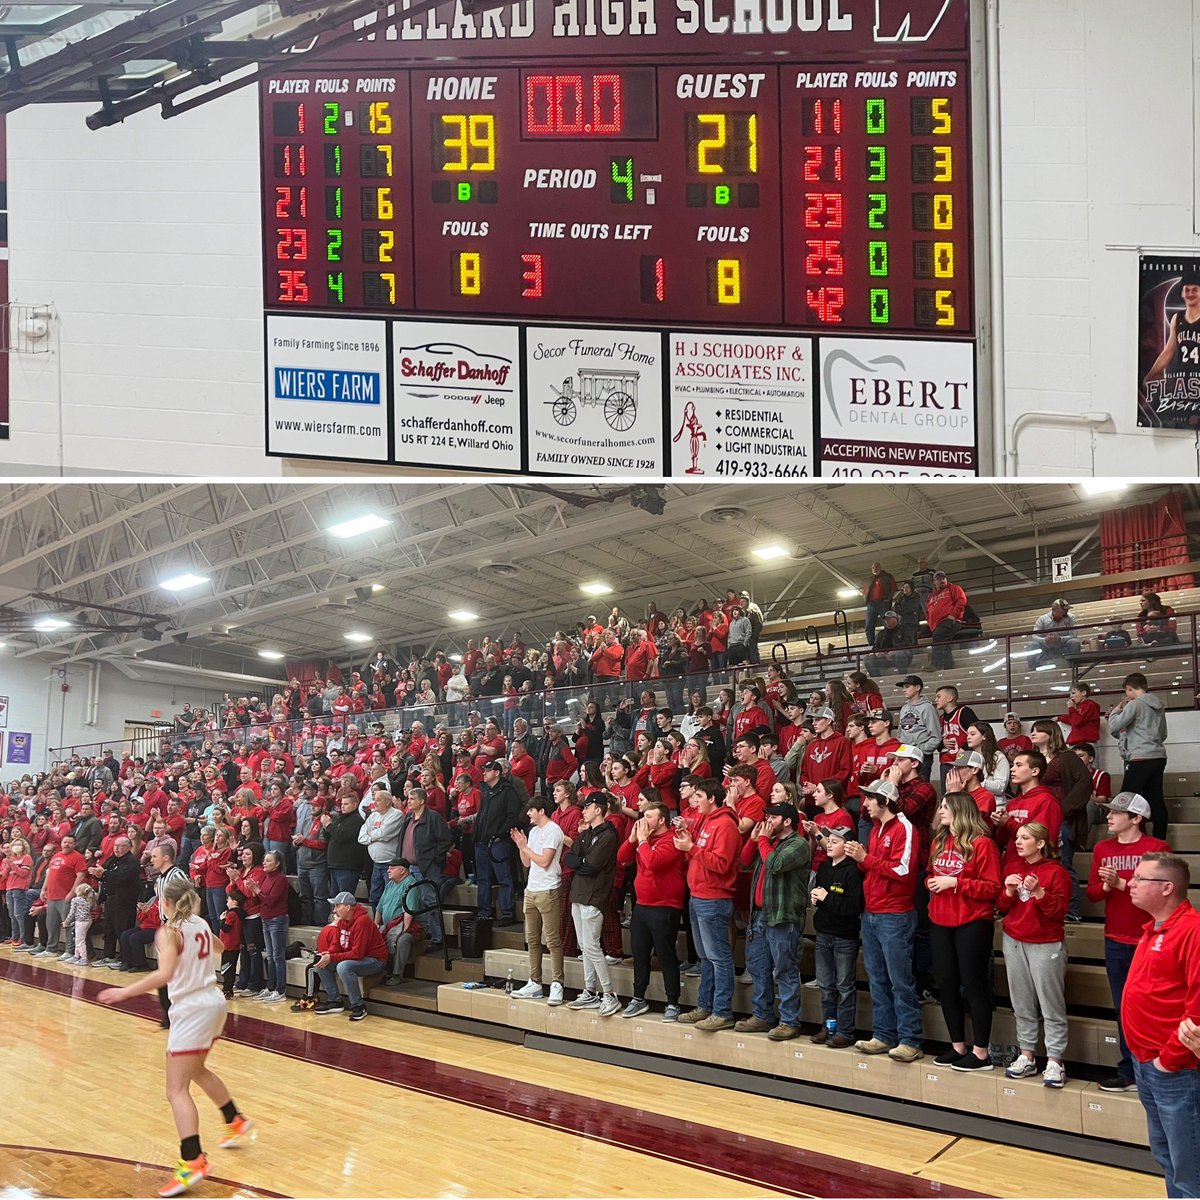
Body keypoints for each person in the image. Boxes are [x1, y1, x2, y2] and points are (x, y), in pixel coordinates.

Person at [98, 874, 253, 1199]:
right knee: (196, 1070)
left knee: (176, 1090)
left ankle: (192, 1159)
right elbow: (221, 947)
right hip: (214, 1004)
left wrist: (125, 992)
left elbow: (164, 974)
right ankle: (234, 1118)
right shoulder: (198, 922)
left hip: (193, 1009)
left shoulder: (169, 931)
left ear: (164, 902)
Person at [1123, 852, 1200, 1198]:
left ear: (1167, 887)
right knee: (1168, 1157)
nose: (1130, 883)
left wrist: (1168, 1060)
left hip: (1176, 1069)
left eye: (1140, 879)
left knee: (1190, 1166)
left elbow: (1197, 1009)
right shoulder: (1153, 928)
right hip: (1147, 1064)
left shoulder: (1192, 931)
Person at [1086, 794, 1172, 1093]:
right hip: (1115, 937)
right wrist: (1108, 885)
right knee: (1123, 1008)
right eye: (1109, 812)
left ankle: (1160, 1066)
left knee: (1154, 1007)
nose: (1109, 817)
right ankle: (1131, 1069)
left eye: (1117, 813)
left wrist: (1122, 884)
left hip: (1149, 939)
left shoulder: (1156, 849)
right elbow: (1094, 894)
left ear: (1136, 818)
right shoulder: (1102, 848)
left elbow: (1164, 895)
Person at [846, 779, 923, 1062]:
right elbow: (874, 867)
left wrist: (865, 858)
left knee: (899, 980)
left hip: (895, 914)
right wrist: (860, 858)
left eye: (869, 800)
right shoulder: (877, 829)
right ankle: (884, 1034)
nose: (864, 805)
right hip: (873, 911)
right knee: (877, 978)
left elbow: (904, 870)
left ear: (884, 802)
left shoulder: (905, 828)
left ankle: (910, 1039)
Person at [926, 792, 1002, 1071]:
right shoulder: (939, 841)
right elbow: (929, 874)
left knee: (974, 985)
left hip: (972, 921)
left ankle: (981, 1052)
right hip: (940, 920)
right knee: (945, 983)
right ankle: (957, 1045)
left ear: (961, 810)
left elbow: (992, 887)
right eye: (941, 805)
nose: (941, 810)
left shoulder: (983, 844)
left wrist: (956, 883)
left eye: (946, 806)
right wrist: (933, 883)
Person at [997, 822, 1072, 1088]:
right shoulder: (1012, 868)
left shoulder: (1056, 872)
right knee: (1021, 1003)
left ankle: (1054, 1060)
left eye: (1025, 838)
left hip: (1045, 943)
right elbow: (1002, 906)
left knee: (1051, 1004)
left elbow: (1059, 912)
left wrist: (1039, 892)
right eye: (1017, 837)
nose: (1018, 842)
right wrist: (1007, 891)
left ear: (1040, 843)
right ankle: (1026, 1054)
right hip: (1014, 940)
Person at [736, 800, 811, 1041]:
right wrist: (754, 839)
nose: (767, 822)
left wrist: (763, 841)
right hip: (759, 916)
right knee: (759, 969)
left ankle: (789, 1020)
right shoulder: (768, 842)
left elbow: (776, 864)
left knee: (784, 970)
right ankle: (762, 1015)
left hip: (782, 917)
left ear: (787, 821)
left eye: (773, 817)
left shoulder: (798, 844)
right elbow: (744, 861)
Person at [673, 778, 740, 1031]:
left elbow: (721, 864)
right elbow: (701, 855)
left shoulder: (725, 824)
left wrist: (692, 847)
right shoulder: (706, 821)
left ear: (712, 798)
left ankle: (722, 1012)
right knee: (705, 958)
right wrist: (688, 844)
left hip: (714, 898)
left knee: (719, 958)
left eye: (699, 796)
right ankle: (705, 1006)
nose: (694, 801)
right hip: (698, 895)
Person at [616, 799, 687, 1021]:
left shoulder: (672, 840)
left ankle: (673, 1003)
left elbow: (652, 862)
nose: (643, 820)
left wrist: (643, 841)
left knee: (666, 956)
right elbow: (622, 859)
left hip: (665, 906)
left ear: (661, 819)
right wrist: (631, 840)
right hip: (642, 906)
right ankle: (638, 998)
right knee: (639, 954)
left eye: (648, 816)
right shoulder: (645, 839)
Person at [563, 793, 621, 1017]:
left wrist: (582, 862)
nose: (583, 811)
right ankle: (590, 990)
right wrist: (582, 862)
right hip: (578, 893)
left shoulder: (608, 835)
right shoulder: (586, 834)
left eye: (586, 807)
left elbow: (592, 866)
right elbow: (570, 857)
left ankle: (609, 993)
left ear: (598, 809)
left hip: (594, 895)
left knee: (592, 946)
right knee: (583, 945)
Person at [810, 826, 863, 1048]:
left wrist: (826, 897)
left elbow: (854, 906)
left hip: (844, 936)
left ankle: (845, 1031)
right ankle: (828, 1027)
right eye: (828, 840)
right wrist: (816, 898)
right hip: (823, 934)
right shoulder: (823, 868)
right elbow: (823, 896)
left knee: (844, 985)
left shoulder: (853, 871)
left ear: (848, 846)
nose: (829, 844)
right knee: (826, 986)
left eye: (835, 841)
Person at [510, 796, 566, 1005]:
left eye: (531, 810)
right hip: (531, 889)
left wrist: (526, 847)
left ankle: (557, 983)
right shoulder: (533, 832)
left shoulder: (553, 830)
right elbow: (527, 862)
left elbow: (544, 861)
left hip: (549, 889)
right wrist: (521, 846)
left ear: (541, 811)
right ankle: (535, 982)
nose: (528, 814)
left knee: (552, 940)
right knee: (532, 939)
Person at [1108, 672, 1169, 839]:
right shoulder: (1159, 706)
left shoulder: (1134, 705)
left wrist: (1115, 712)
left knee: (1126, 798)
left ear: (1130, 689)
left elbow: (1115, 726)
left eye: (1126, 691)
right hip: (1158, 755)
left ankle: (1134, 838)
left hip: (1141, 756)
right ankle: (1159, 839)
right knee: (1155, 799)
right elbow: (1163, 734)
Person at [313, 891, 389, 1020]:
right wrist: (329, 953)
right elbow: (337, 944)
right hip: (359, 957)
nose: (335, 910)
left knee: (344, 967)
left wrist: (332, 957)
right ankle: (335, 1001)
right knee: (322, 962)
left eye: (338, 906)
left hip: (375, 960)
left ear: (348, 907)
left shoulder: (362, 921)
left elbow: (357, 953)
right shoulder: (343, 920)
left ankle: (359, 1006)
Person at [394, 787, 452, 948]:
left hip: (427, 867)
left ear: (421, 801)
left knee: (430, 901)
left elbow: (445, 840)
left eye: (412, 799)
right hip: (408, 868)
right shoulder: (408, 818)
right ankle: (422, 933)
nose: (409, 801)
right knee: (414, 902)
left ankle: (438, 938)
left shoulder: (433, 817)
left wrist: (434, 858)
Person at [474, 759, 523, 928]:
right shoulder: (488, 791)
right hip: (482, 841)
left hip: (497, 843)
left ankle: (507, 913)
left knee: (504, 879)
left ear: (497, 773)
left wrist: (500, 835)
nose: (484, 773)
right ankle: (484, 912)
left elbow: (512, 815)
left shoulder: (508, 791)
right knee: (483, 879)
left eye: (488, 770)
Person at [375, 859, 424, 988]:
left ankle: (397, 974)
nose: (388, 870)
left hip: (414, 926)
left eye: (392, 868)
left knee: (402, 939)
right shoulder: (390, 884)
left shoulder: (411, 885)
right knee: (377, 934)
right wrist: (376, 925)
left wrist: (404, 930)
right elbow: (380, 907)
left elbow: (409, 912)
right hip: (391, 925)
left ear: (402, 870)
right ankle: (380, 970)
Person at [256, 850, 290, 1003]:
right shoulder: (265, 877)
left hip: (277, 920)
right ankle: (270, 987)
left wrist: (256, 891)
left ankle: (280, 990)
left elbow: (271, 901)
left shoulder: (281, 879)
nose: (264, 863)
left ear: (277, 864)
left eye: (268, 860)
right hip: (265, 919)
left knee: (278, 956)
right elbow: (261, 900)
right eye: (264, 860)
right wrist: (253, 890)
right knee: (270, 956)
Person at [895, 676, 940, 781]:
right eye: (903, 687)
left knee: (920, 788)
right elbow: (900, 733)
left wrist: (921, 750)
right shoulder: (904, 708)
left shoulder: (928, 708)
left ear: (918, 687)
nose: (904, 690)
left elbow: (935, 736)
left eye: (907, 686)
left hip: (921, 757)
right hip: (905, 755)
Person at [925, 571, 967, 670]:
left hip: (950, 620)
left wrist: (952, 615)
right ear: (934, 582)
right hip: (936, 625)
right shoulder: (931, 597)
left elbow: (962, 601)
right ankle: (949, 665)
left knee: (939, 636)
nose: (942, 581)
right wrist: (931, 624)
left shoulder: (954, 588)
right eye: (939, 579)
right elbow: (927, 612)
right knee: (945, 642)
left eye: (943, 578)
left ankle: (936, 664)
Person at [1029, 599, 1082, 665]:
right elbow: (1034, 636)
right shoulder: (1042, 619)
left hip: (1063, 645)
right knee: (1032, 645)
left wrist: (1060, 638)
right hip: (1046, 646)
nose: (1067, 611)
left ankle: (1074, 666)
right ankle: (1033, 670)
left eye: (1067, 609)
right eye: (1064, 609)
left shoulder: (1071, 618)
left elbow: (1074, 635)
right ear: (1055, 609)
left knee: (1074, 642)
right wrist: (1045, 640)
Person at [862, 561, 898, 648]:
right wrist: (867, 601)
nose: (875, 569)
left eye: (876, 567)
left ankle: (887, 642)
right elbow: (865, 591)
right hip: (871, 603)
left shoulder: (887, 576)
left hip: (882, 602)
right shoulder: (869, 579)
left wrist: (888, 599)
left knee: (887, 623)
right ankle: (872, 643)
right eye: (873, 568)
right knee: (869, 625)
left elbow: (893, 588)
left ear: (880, 568)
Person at [63, 881, 98, 965]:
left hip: (81, 922)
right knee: (78, 939)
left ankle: (83, 958)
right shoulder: (89, 899)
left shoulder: (76, 899)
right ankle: (76, 956)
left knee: (80, 940)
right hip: (88, 921)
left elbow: (72, 913)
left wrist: (66, 922)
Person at [1060, 682, 1101, 746]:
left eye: (1073, 693)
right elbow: (1072, 719)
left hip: (1086, 741)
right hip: (1077, 741)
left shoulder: (1090, 706)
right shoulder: (1078, 708)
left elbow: (1076, 721)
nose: (1070, 696)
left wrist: (1071, 708)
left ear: (1083, 693)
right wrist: (1059, 718)